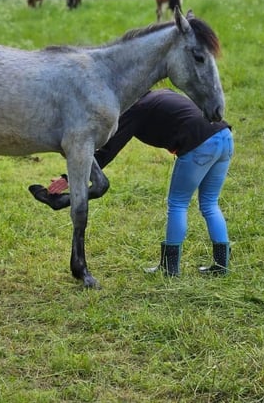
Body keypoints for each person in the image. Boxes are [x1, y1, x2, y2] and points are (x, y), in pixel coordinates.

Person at [29, 88, 234, 276]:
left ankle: (170, 268)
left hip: (199, 145)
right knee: (209, 203)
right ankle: (221, 265)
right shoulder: (160, 95)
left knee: (178, 203)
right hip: (224, 137)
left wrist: (67, 179)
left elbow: (107, 152)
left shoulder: (135, 109)